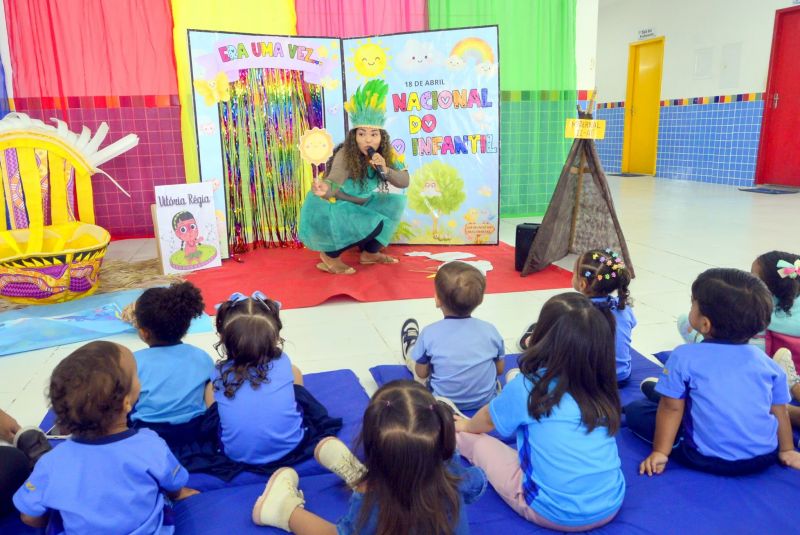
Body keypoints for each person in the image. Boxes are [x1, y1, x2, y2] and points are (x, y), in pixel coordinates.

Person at [456, 293, 625, 532]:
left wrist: (464, 426)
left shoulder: (528, 388)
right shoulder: (602, 386)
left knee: (476, 442)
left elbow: (484, 420)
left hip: (549, 511)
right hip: (610, 503)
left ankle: (450, 434)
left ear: (541, 337)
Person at [625, 268, 800, 476]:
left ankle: (662, 391)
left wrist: (660, 452)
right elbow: (779, 410)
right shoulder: (767, 363)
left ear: (705, 323)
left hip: (704, 456)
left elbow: (671, 409)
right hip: (763, 456)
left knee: (637, 410)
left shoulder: (684, 356)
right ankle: (663, 390)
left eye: (693, 304)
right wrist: (787, 450)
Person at [251, 380, 486, 534]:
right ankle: (358, 475)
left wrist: (364, 490)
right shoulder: (453, 472)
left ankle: (282, 509)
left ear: (372, 449)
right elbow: (476, 483)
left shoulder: (370, 503)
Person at [12, 341, 197, 532]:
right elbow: (175, 486)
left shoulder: (52, 463)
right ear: (126, 402)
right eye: (136, 375)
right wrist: (183, 493)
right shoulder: (150, 445)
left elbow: (29, 517)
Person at [211, 293, 342, 467]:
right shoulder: (282, 361)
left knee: (211, 391)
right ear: (275, 337)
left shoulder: (219, 372)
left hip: (236, 455)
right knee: (295, 372)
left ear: (224, 338)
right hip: (291, 447)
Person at [299, 79, 409, 275]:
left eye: (374, 134)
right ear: (354, 136)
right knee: (374, 222)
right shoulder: (345, 154)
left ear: (381, 137)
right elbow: (334, 181)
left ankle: (369, 254)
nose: (368, 139)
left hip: (364, 202)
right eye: (362, 134)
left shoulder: (385, 153)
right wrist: (325, 188)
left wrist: (386, 168)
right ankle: (330, 255)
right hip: (340, 207)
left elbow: (404, 181)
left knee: (395, 203)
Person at [401, 261, 505, 411]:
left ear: (437, 300)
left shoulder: (429, 333)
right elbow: (500, 370)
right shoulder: (490, 330)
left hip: (442, 403)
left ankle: (411, 350)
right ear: (480, 300)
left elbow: (421, 372)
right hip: (485, 401)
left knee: (416, 364)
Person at [127, 282, 216, 451]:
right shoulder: (202, 357)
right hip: (195, 436)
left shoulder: (133, 361)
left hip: (149, 437)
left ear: (144, 332)